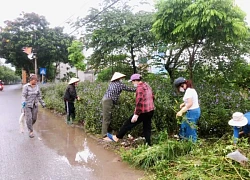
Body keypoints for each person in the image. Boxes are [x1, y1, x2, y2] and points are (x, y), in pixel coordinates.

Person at [104, 74, 155, 146]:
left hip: (143, 111)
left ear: (135, 81)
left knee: (128, 123)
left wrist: (136, 114)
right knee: (147, 127)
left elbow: (139, 102)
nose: (132, 83)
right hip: (151, 110)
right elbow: (153, 97)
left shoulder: (139, 88)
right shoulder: (147, 85)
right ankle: (148, 144)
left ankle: (117, 137)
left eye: (132, 82)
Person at [101, 72, 136, 137]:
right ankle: (104, 134)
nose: (121, 79)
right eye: (121, 78)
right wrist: (138, 89)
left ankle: (108, 131)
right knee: (106, 118)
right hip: (108, 101)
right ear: (118, 78)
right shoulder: (119, 84)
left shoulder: (112, 83)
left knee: (108, 116)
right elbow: (130, 89)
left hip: (106, 100)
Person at [174, 77, 201, 142]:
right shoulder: (190, 90)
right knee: (184, 125)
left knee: (190, 129)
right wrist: (183, 103)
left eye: (179, 87)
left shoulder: (189, 91)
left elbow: (190, 104)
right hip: (192, 111)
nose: (180, 89)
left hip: (193, 112)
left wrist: (181, 111)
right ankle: (183, 141)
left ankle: (192, 145)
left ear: (182, 85)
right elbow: (190, 100)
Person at [22, 74, 45, 138]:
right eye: (35, 80)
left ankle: (29, 126)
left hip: (35, 105)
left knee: (34, 118)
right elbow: (23, 95)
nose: (36, 81)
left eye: (37, 80)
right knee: (29, 118)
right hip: (27, 105)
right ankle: (31, 131)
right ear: (31, 80)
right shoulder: (25, 87)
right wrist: (23, 102)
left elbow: (39, 96)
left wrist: (42, 103)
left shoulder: (37, 87)